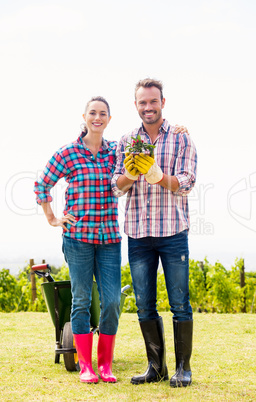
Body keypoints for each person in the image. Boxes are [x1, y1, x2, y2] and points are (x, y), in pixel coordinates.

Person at [111, 78, 197, 388]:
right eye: (142, 102)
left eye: (153, 101)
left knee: (179, 303)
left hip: (173, 233)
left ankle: (183, 369)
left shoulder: (181, 138)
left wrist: (160, 177)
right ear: (135, 105)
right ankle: (155, 367)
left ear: (163, 102)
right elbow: (115, 187)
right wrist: (130, 175)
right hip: (138, 234)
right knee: (145, 303)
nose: (148, 107)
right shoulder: (125, 141)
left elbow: (186, 182)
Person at [34, 97, 122, 384]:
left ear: (109, 118)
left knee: (111, 301)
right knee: (82, 299)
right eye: (93, 113)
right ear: (84, 116)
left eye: (103, 113)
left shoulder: (116, 153)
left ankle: (105, 365)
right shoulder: (68, 153)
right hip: (78, 238)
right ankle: (86, 366)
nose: (98, 117)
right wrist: (52, 218)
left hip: (109, 238)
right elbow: (42, 183)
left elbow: (138, 160)